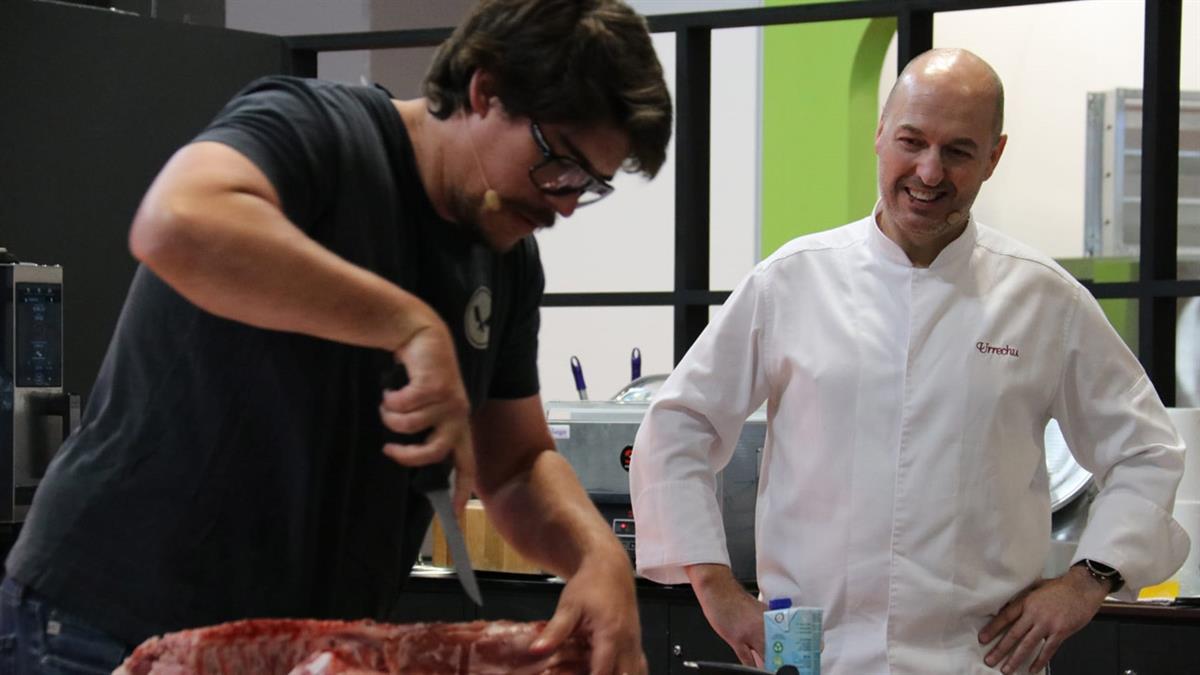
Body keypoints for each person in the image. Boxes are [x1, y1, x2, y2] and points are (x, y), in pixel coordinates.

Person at [0, 1, 671, 673]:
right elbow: (175, 222)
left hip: (290, 650)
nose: (564, 202)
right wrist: (410, 326)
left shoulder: (506, 262)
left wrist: (598, 556)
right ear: (484, 90)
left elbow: (517, 463)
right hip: (101, 625)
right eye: (559, 162)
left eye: (590, 184)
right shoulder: (319, 132)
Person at [630, 48, 1189, 675]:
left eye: (958, 151)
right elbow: (678, 424)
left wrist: (1086, 582)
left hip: (979, 658)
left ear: (994, 157)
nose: (929, 171)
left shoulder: (1043, 298)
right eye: (912, 141)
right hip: (814, 652)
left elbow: (1147, 451)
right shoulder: (792, 281)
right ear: (879, 135)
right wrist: (714, 588)